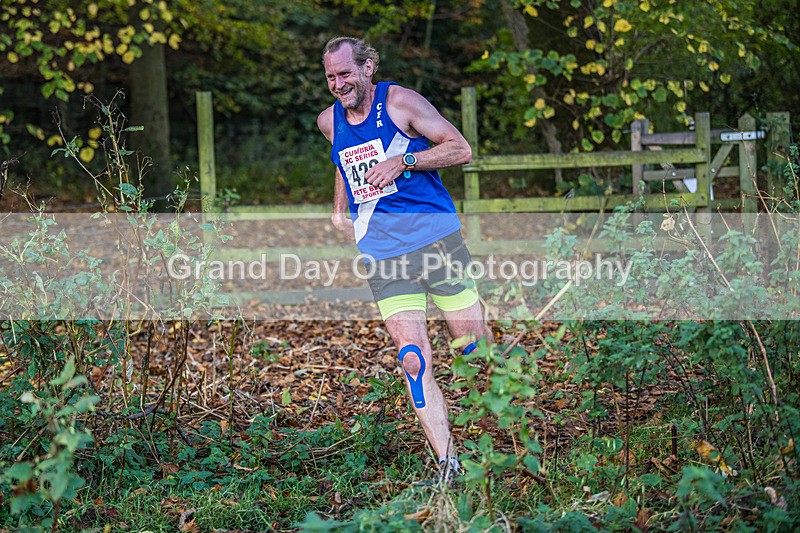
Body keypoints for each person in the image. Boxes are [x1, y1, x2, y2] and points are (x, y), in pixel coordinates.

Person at [317, 36, 491, 480]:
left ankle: (499, 430)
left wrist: (405, 161)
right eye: (331, 76)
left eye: (346, 74)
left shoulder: (401, 103)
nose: (339, 84)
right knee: (413, 360)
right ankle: (449, 464)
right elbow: (342, 162)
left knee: (473, 349)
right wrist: (339, 205)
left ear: (368, 66)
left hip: (436, 240)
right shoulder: (328, 121)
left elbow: (460, 148)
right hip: (383, 253)